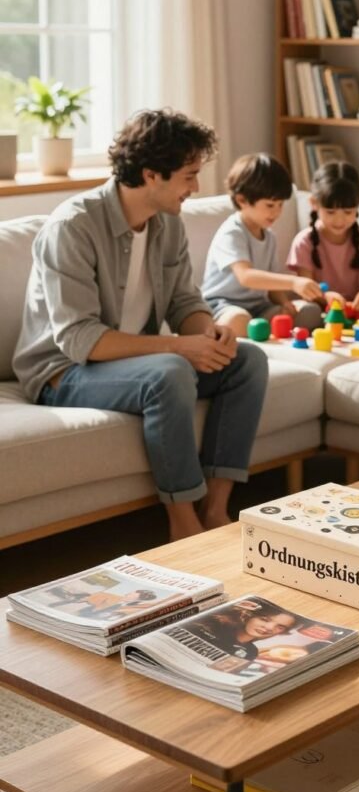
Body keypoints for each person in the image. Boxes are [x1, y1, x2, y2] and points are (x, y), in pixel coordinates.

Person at [13, 108, 269, 541]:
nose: (197, 187)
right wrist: (177, 348)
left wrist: (209, 330)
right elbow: (80, 340)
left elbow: (184, 300)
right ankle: (182, 526)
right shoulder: (73, 227)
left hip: (129, 363)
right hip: (63, 371)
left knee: (247, 360)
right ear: (152, 175)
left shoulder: (167, 223)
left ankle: (216, 512)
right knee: (169, 373)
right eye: (189, 175)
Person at [202, 153, 322, 337]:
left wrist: (283, 303)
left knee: (309, 311)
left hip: (258, 307)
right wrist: (293, 282)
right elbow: (246, 277)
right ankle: (252, 332)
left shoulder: (269, 237)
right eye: (270, 205)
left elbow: (271, 283)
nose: (277, 212)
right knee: (237, 320)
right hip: (224, 304)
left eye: (281, 205)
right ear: (242, 200)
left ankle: (261, 333)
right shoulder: (232, 232)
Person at [287, 161, 359, 314]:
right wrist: (325, 297)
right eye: (330, 212)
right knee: (305, 310)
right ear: (314, 203)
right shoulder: (304, 241)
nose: (339, 221)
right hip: (319, 311)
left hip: (352, 311)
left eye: (347, 212)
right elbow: (306, 288)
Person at [183, 598, 303, 661]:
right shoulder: (210, 625)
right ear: (247, 615)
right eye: (264, 619)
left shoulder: (251, 652)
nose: (269, 628)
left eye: (280, 627)